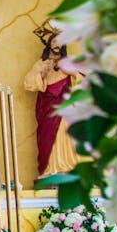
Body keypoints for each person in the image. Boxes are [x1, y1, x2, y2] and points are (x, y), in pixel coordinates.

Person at [23, 36, 79, 177]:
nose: (56, 44)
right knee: (47, 138)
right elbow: (28, 83)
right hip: (47, 109)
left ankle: (68, 168)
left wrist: (72, 73)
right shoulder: (42, 63)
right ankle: (49, 170)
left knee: (66, 136)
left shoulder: (69, 61)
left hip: (66, 108)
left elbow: (86, 80)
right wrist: (41, 73)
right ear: (49, 44)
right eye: (53, 41)